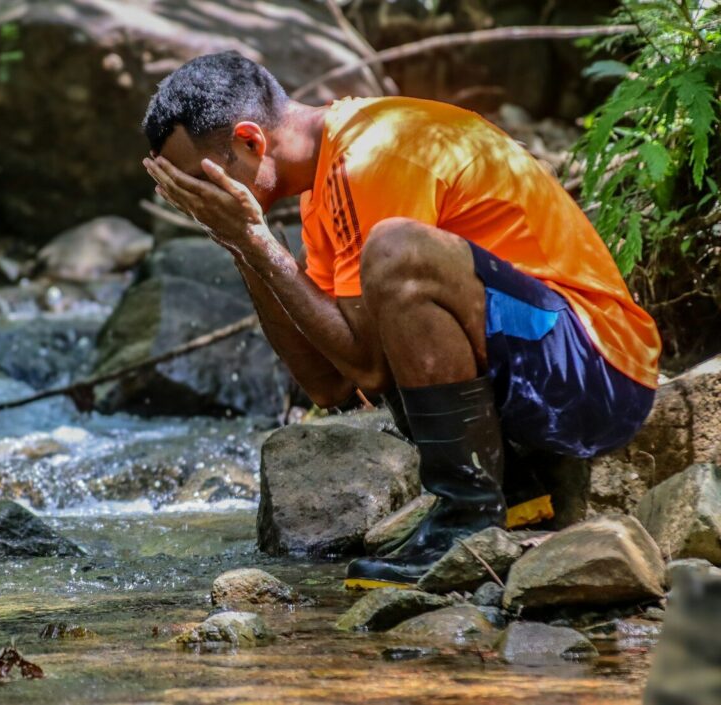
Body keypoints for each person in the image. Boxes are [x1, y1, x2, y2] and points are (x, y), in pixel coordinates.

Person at [140, 51, 661, 590]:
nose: (196, 202)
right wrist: (239, 243)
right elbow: (331, 380)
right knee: (385, 272)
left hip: (600, 375)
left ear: (251, 142)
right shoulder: (324, 192)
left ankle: (467, 513)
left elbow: (366, 363)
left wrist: (255, 237)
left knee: (396, 250)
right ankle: (514, 494)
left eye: (197, 182)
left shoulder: (374, 152)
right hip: (550, 380)